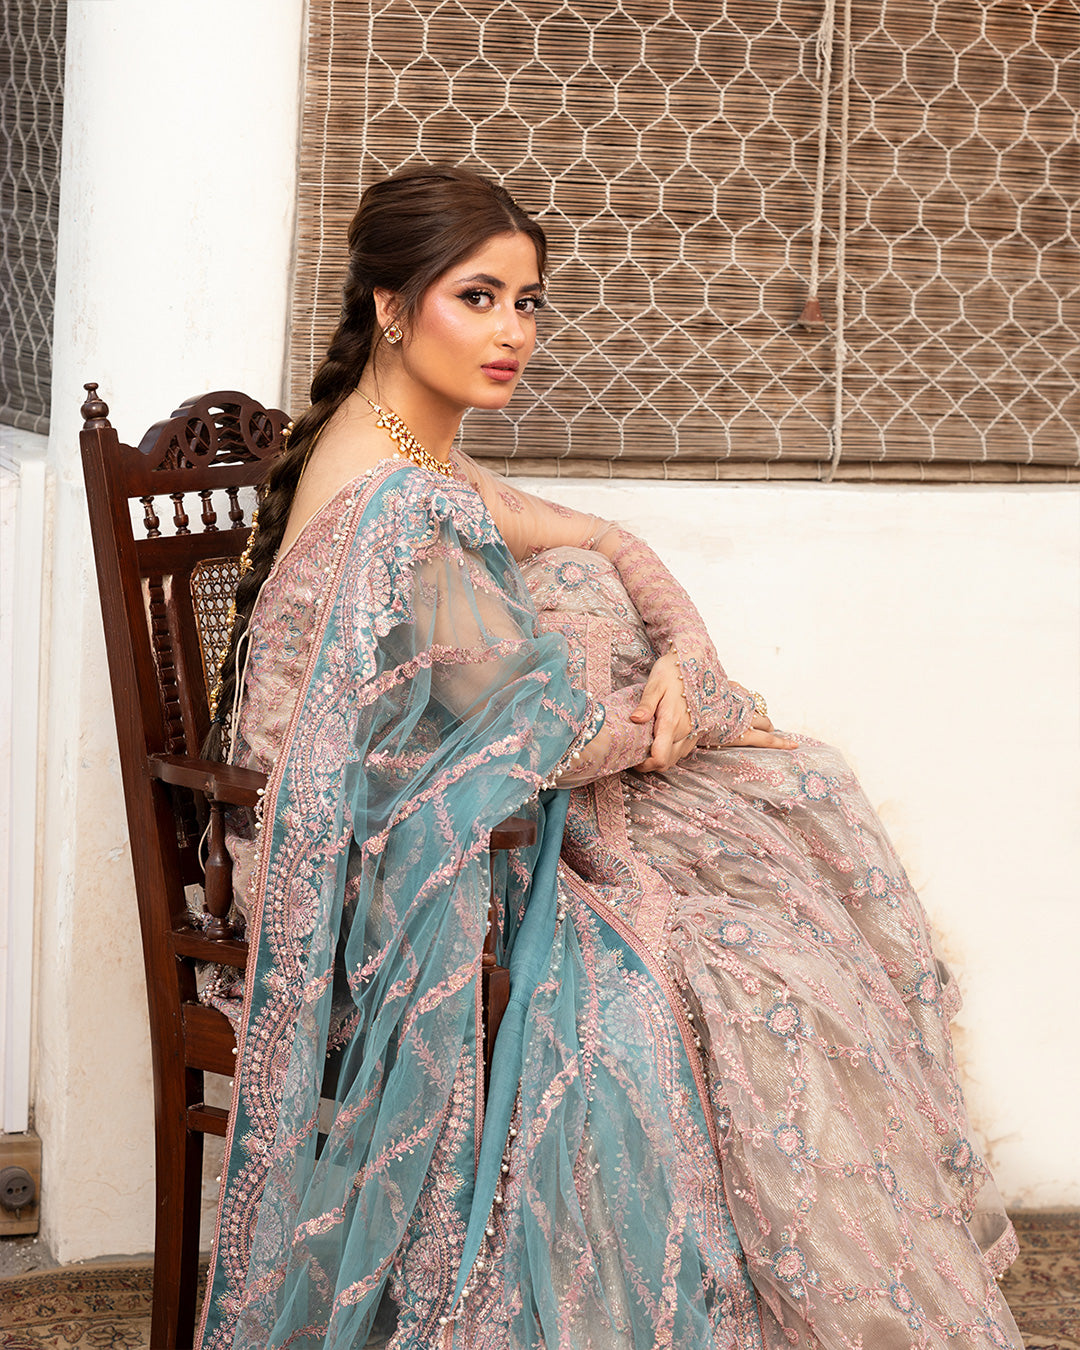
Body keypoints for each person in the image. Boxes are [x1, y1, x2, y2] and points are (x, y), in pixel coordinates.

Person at [197, 164, 1022, 1350]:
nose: (512, 332)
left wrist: (686, 658)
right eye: (478, 298)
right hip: (389, 877)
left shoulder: (413, 451)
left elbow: (600, 537)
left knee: (797, 797)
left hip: (477, 815)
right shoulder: (395, 498)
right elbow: (552, 735)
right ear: (391, 305)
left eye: (527, 302)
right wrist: (693, 712)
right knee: (760, 970)